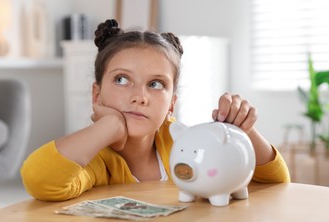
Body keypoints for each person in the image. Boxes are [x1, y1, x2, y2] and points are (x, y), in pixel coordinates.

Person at [21, 19, 290, 201]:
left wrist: (244, 130)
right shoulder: (96, 161)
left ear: (172, 103)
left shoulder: (185, 144)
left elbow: (274, 182)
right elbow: (39, 180)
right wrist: (108, 127)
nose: (139, 97)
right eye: (122, 79)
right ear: (96, 94)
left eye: (155, 84)